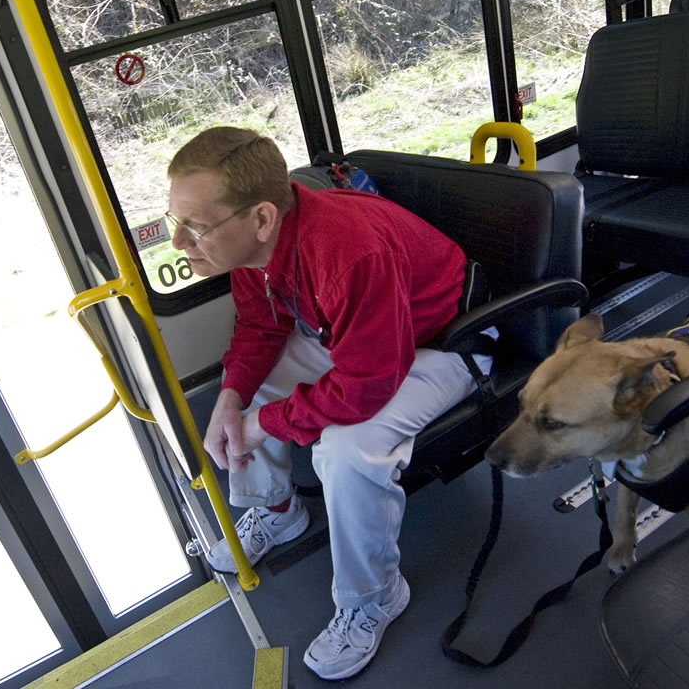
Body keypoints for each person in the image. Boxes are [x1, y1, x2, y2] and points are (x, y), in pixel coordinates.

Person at [165, 127, 490, 680]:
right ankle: (276, 510)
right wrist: (231, 398)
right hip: (369, 342)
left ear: (262, 218)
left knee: (346, 448)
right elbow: (260, 328)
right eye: (176, 222)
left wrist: (265, 424)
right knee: (260, 379)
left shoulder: (347, 250)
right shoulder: (250, 250)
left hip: (446, 345)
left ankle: (375, 596)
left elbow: (365, 385)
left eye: (195, 227)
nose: (179, 243)